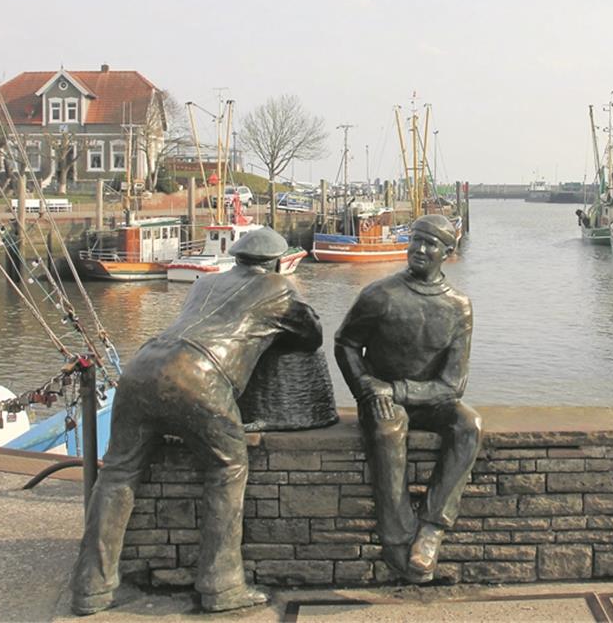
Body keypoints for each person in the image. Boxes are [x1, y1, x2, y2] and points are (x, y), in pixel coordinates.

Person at [70, 227, 322, 615]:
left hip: (142, 366)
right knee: (228, 468)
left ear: (236, 257)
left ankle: (91, 587)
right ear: (275, 262)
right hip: (198, 374)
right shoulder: (279, 289)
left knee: (118, 474)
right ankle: (221, 585)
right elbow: (312, 335)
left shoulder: (205, 283)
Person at [334, 214, 482, 583]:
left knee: (469, 425)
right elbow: (346, 343)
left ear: (447, 252)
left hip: (428, 398)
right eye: (416, 240)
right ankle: (397, 538)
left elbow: (452, 385)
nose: (419, 249)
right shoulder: (379, 294)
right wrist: (366, 387)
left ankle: (431, 530)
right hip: (383, 399)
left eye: (431, 243)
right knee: (388, 430)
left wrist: (396, 389)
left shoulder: (458, 306)